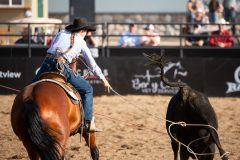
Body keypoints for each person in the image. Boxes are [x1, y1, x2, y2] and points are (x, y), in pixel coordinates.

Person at [32, 17, 112, 132]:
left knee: (32, 86)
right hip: (61, 66)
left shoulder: (61, 33)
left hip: (46, 63)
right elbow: (92, 63)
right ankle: (87, 123)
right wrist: (103, 79)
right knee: (88, 89)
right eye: (86, 32)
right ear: (82, 31)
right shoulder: (82, 42)